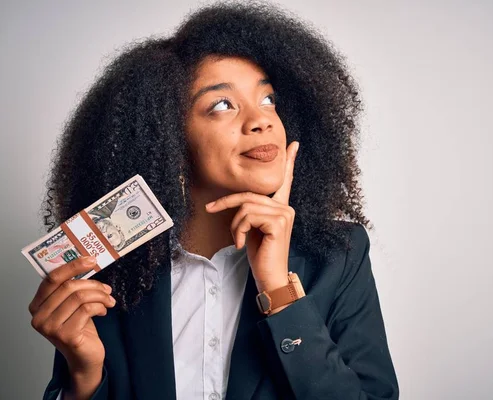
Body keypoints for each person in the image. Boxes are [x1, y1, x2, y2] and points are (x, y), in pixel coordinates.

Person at [28, 2, 399, 399]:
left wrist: (277, 290)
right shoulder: (117, 269)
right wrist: (83, 378)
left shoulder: (339, 255)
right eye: (221, 104)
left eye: (269, 99)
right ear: (168, 137)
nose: (262, 120)